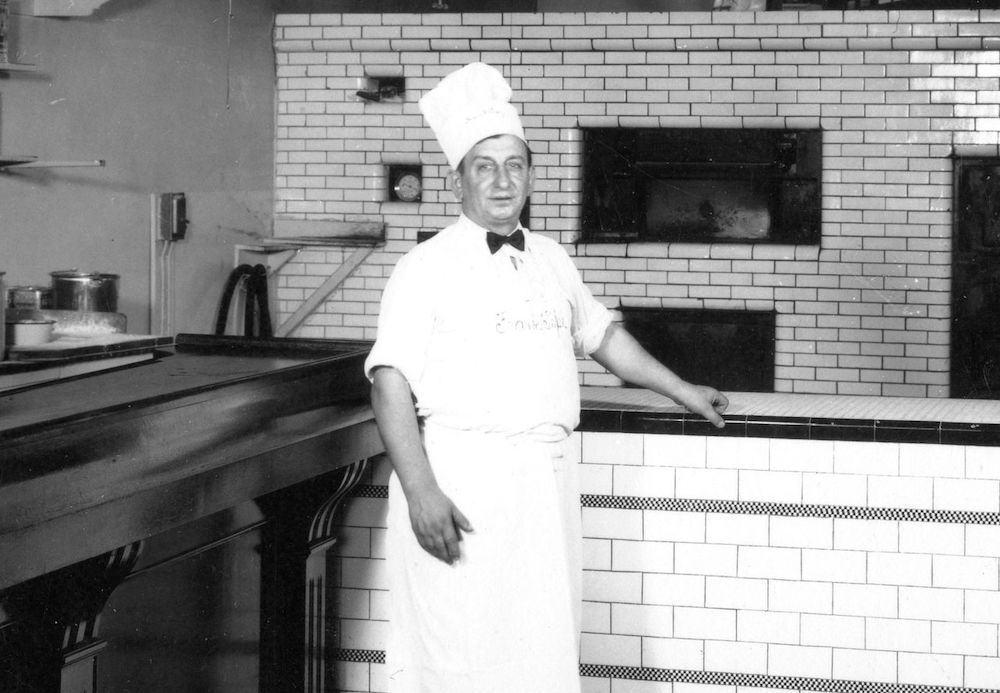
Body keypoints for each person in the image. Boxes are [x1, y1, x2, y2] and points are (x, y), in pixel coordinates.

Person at [364, 62, 729, 693]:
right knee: (460, 660)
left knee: (539, 661)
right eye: (485, 165)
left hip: (543, 492)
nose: (502, 180)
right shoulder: (424, 268)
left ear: (531, 175)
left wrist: (682, 389)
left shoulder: (552, 259)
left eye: (515, 164)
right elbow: (388, 381)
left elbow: (604, 337)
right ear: (458, 183)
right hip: (462, 487)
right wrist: (421, 491)